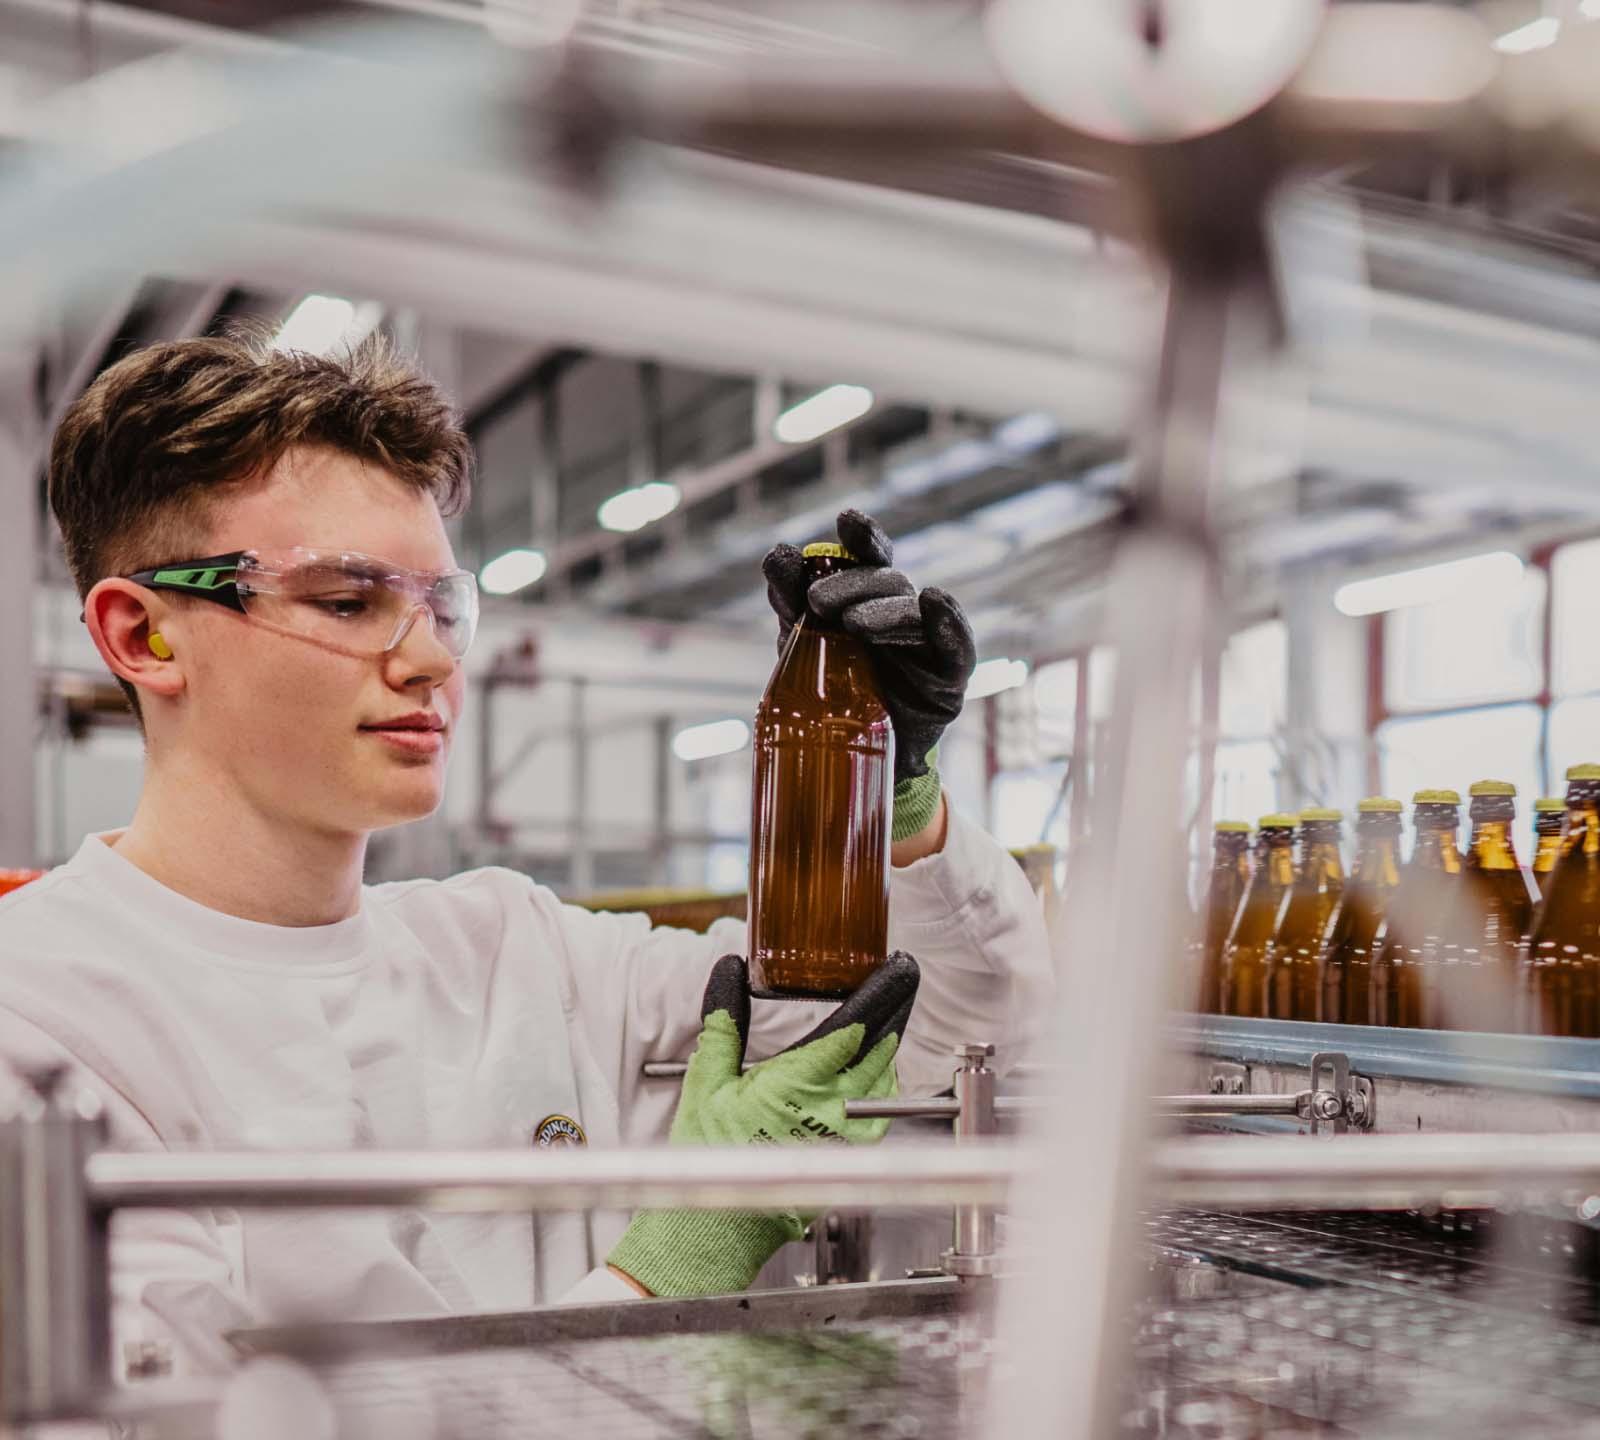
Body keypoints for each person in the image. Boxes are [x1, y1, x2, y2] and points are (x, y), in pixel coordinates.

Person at [0, 333, 1053, 1378]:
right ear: (143, 636)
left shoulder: (520, 952)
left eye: (439, 608)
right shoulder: (38, 1021)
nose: (426, 664)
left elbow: (952, 1036)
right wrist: (681, 1262)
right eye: (345, 601)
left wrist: (894, 796)